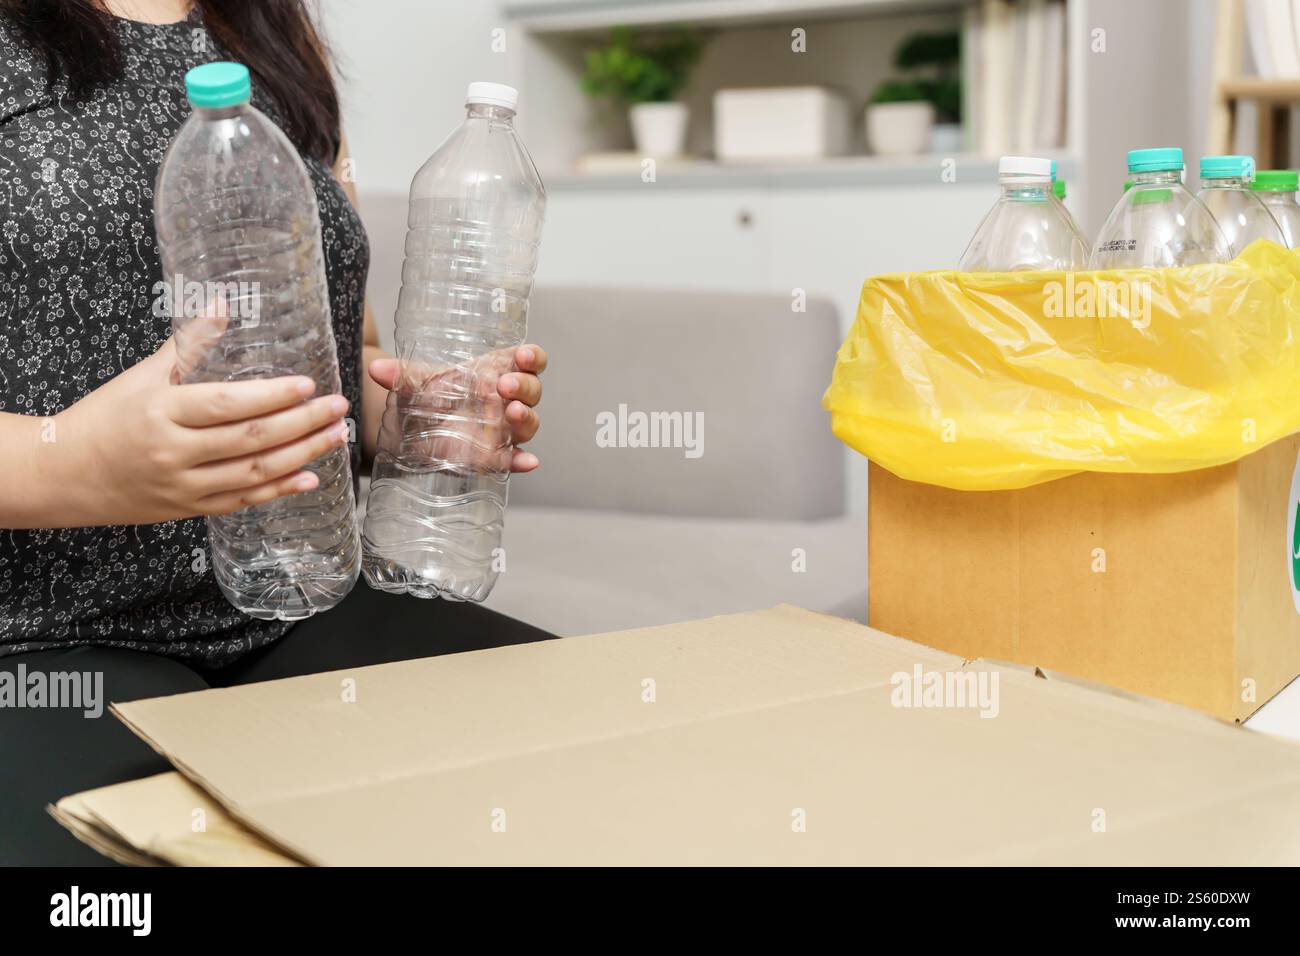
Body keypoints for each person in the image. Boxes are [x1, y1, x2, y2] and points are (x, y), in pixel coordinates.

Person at [0, 0, 552, 864]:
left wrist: (406, 422)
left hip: (291, 597)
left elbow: (334, 347)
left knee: (571, 774)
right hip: (37, 645)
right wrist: (67, 461)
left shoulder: (262, 26)